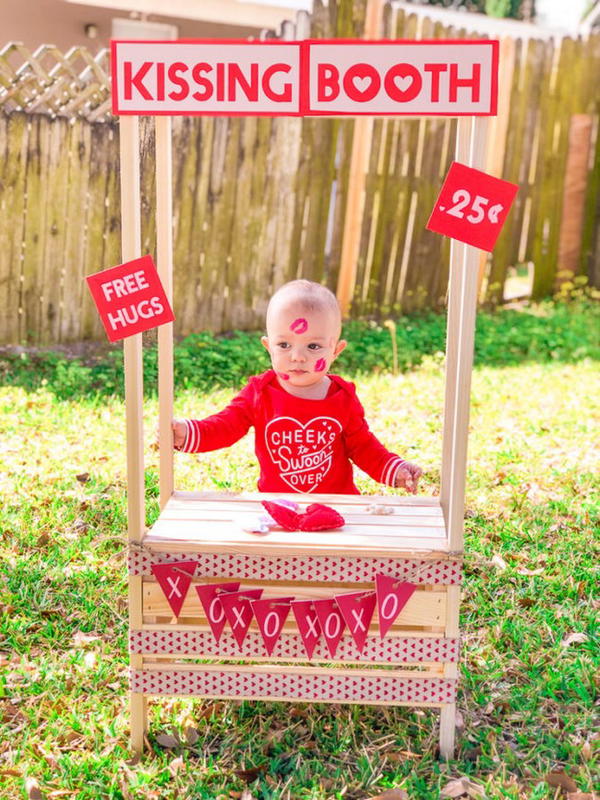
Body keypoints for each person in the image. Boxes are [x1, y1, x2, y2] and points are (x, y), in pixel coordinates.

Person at [172, 280, 422, 495]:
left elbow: (364, 446)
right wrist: (186, 432)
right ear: (268, 346)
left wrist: (394, 469)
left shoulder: (342, 398)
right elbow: (225, 426)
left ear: (336, 351)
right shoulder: (260, 392)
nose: (297, 357)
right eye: (284, 345)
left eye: (313, 347)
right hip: (279, 506)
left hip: (337, 506)